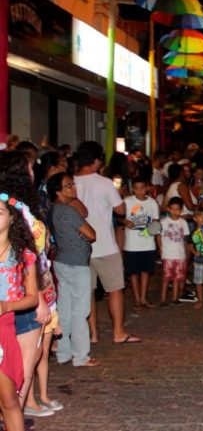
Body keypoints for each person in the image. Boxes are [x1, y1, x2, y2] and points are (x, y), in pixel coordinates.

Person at [74, 141, 139, 344]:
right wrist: (118, 196)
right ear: (96, 161)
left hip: (80, 244)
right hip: (104, 244)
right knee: (115, 289)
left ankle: (92, 333)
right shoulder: (104, 183)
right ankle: (118, 332)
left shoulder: (70, 182)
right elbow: (120, 210)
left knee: (88, 292)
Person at [47, 173, 98, 368]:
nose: (73, 188)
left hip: (62, 261)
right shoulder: (68, 211)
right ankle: (81, 356)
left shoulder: (54, 210)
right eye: (68, 186)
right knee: (80, 309)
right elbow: (91, 234)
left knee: (65, 309)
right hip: (76, 264)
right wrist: (83, 238)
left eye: (72, 184)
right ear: (58, 192)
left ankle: (63, 352)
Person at [0, 194, 40, 431]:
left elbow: (32, 297)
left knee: (9, 400)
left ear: (12, 218)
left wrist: (6, 306)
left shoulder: (23, 255)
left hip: (4, 330)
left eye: (0, 212)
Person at [122, 177, 160, 309]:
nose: (140, 191)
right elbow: (120, 217)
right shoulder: (127, 202)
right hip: (132, 244)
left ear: (147, 188)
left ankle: (143, 297)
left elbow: (155, 222)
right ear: (133, 189)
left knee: (145, 272)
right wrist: (126, 222)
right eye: (137, 188)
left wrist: (152, 228)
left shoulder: (152, 203)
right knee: (133, 272)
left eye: (142, 188)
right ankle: (137, 298)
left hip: (147, 243)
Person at [158, 198, 189, 306]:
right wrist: (161, 249)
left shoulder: (183, 222)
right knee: (166, 278)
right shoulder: (163, 222)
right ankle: (163, 299)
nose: (175, 211)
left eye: (177, 209)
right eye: (172, 209)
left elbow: (185, 239)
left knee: (177, 278)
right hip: (168, 254)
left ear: (181, 210)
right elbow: (158, 236)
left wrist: (186, 253)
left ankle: (175, 298)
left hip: (180, 254)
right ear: (168, 209)